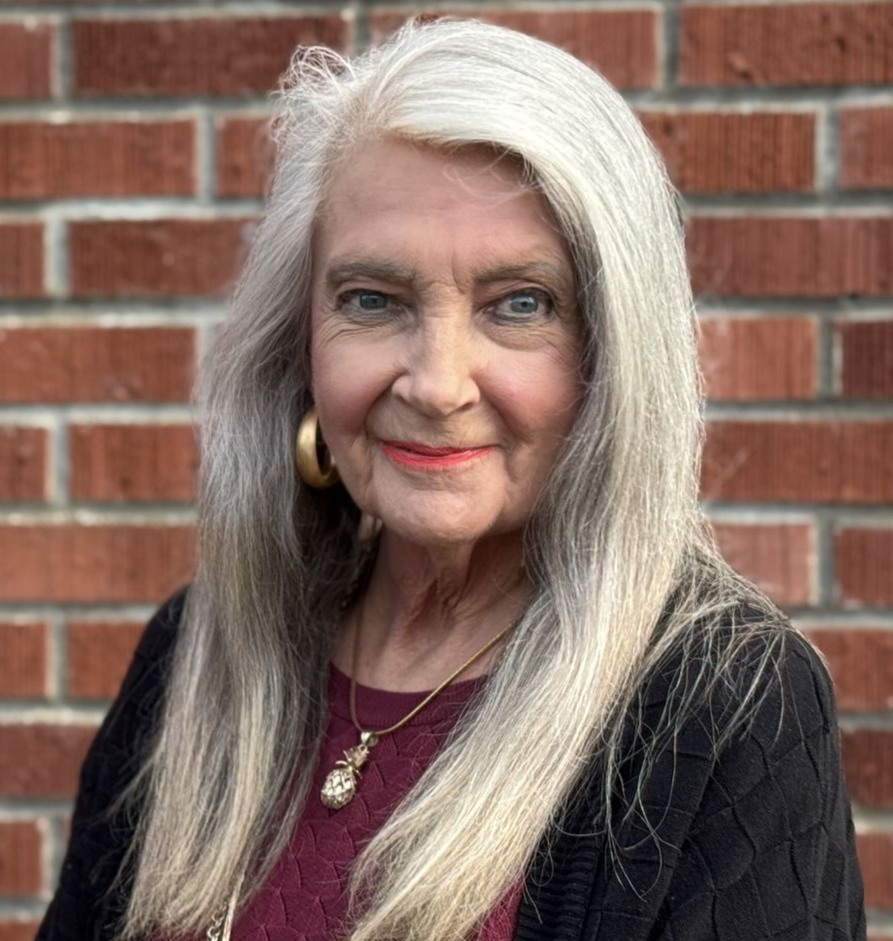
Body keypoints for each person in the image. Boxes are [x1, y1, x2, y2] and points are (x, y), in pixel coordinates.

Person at [37, 18, 865, 941]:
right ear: (299, 341)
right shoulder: (198, 652)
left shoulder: (727, 708)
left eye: (519, 305)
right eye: (372, 300)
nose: (436, 385)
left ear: (610, 354)